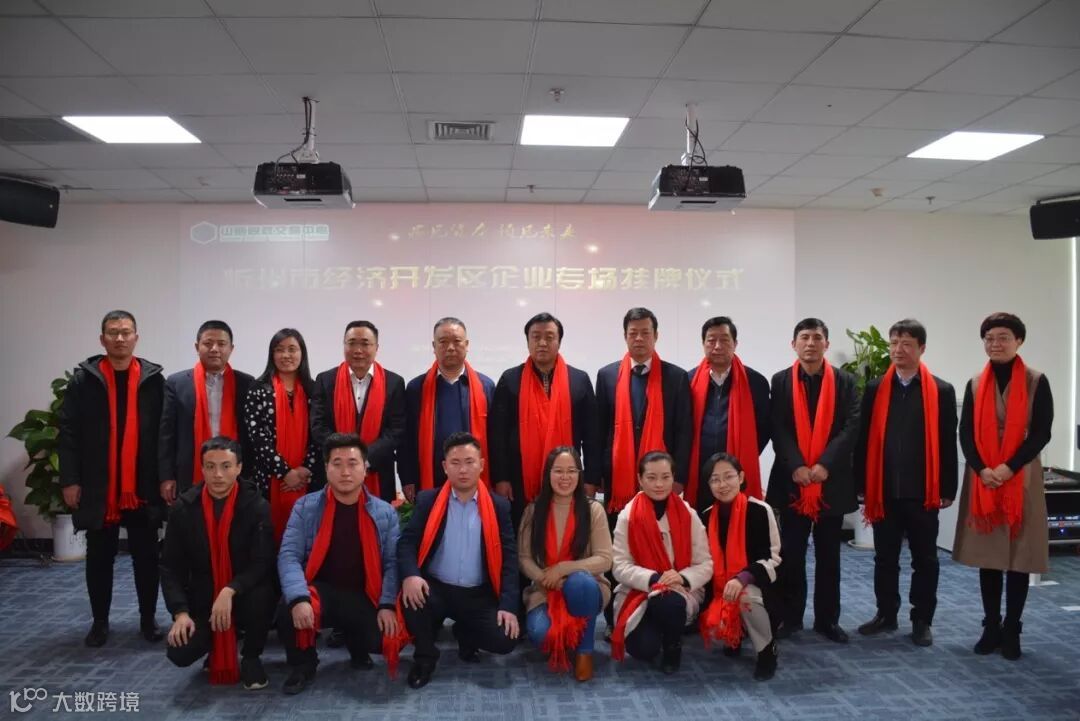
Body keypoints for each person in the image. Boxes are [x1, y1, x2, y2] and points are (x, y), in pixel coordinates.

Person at [58, 310, 165, 647]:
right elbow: (69, 433)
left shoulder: (152, 380)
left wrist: (165, 478)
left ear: (136, 337)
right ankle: (100, 622)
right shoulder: (84, 381)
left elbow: (163, 435)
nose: (120, 338)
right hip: (99, 486)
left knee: (147, 557)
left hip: (142, 486)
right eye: (113, 332)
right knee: (99, 558)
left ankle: (148, 619)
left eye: (126, 332)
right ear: (102, 339)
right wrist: (70, 480)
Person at [952, 312, 1053, 661]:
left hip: (1021, 476)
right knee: (989, 556)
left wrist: (1009, 467)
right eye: (989, 338)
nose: (995, 344)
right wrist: (982, 469)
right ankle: (991, 625)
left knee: (1019, 557)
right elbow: (965, 432)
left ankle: (1012, 628)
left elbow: (1041, 432)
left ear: (1019, 341)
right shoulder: (975, 383)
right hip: (984, 478)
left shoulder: (1036, 381)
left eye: (1003, 337)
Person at [276, 433, 406, 694]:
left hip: (364, 594)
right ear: (326, 468)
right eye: (337, 464)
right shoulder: (305, 507)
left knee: (382, 639)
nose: (345, 472)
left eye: (353, 463)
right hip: (320, 592)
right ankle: (304, 663)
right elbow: (289, 556)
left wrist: (387, 604)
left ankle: (357, 644)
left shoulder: (384, 512)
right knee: (287, 607)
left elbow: (393, 564)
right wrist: (299, 597)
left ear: (365, 467)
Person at [854, 319, 957, 647]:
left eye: (907, 344)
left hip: (922, 492)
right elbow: (863, 438)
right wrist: (861, 482)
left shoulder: (941, 390)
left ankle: (922, 619)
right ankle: (886, 613)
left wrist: (948, 488)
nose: (898, 350)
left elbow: (947, 441)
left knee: (925, 559)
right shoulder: (876, 389)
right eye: (894, 343)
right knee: (884, 558)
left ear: (921, 348)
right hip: (883, 490)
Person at [399, 432, 519, 689]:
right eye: (455, 463)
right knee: (411, 598)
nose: (463, 470)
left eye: (469, 462)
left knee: (505, 639)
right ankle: (425, 658)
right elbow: (407, 543)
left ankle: (465, 632)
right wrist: (411, 575)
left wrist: (508, 605)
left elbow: (510, 558)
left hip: (478, 593)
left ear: (482, 464)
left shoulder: (498, 506)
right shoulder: (428, 500)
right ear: (445, 466)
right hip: (436, 589)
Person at [765, 318, 859, 643]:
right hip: (793, 483)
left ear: (826, 344)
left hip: (831, 482)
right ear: (794, 344)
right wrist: (796, 466)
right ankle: (791, 618)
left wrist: (824, 465)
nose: (810, 343)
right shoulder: (780, 381)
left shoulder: (846, 382)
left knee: (829, 556)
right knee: (791, 554)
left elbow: (851, 427)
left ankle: (827, 620)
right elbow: (778, 427)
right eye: (804, 337)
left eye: (817, 337)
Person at [161, 437, 275, 690]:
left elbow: (262, 562)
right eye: (210, 467)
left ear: (239, 468)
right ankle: (214, 646)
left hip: (244, 591)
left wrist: (230, 590)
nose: (218, 475)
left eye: (226, 466)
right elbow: (170, 567)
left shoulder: (256, 506)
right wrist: (180, 613)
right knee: (179, 652)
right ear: (202, 469)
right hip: (204, 597)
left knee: (263, 594)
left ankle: (252, 657)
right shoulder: (184, 509)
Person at [491, 312, 599, 524]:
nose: (542, 343)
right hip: (520, 479)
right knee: (523, 531)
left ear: (559, 342)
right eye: (536, 337)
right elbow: (497, 435)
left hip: (568, 477)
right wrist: (501, 478)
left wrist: (592, 479)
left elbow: (592, 435)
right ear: (527, 341)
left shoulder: (578, 380)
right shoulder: (510, 379)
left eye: (549, 337)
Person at [610, 451, 712, 674]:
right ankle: (660, 629)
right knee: (642, 649)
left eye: (665, 477)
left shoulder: (689, 514)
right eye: (651, 477)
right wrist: (655, 579)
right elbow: (619, 566)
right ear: (640, 479)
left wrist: (681, 577)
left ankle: (672, 645)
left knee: (668, 602)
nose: (659, 484)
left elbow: (705, 564)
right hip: (638, 591)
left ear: (673, 477)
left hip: (680, 590)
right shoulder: (628, 516)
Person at [518, 447, 612, 682]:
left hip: (587, 587)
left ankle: (584, 651)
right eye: (558, 471)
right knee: (541, 634)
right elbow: (524, 558)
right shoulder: (534, 510)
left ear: (580, 474)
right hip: (545, 590)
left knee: (580, 583)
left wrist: (562, 569)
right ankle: (569, 634)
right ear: (548, 474)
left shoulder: (593, 510)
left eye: (571, 471)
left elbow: (605, 559)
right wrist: (546, 578)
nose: (565, 477)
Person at [596, 307, 692, 517]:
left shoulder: (676, 377)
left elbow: (684, 431)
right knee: (619, 530)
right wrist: (599, 473)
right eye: (633, 333)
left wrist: (679, 477)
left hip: (661, 476)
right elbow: (599, 430)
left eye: (645, 333)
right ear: (625, 336)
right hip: (618, 474)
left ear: (656, 336)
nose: (639, 338)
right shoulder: (606, 375)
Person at [699, 453, 781, 681]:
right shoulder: (706, 516)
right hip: (720, 589)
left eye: (728, 476)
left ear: (741, 477)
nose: (722, 484)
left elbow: (774, 558)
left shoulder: (760, 510)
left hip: (760, 587)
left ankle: (767, 651)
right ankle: (734, 634)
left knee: (744, 596)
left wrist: (743, 577)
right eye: (715, 479)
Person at [159, 320, 255, 502]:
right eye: (208, 343)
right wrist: (166, 476)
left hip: (234, 472)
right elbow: (167, 434)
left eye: (221, 344)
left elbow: (251, 434)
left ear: (231, 348)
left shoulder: (247, 383)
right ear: (197, 347)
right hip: (189, 471)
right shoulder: (177, 383)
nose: (214, 349)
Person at [310, 320, 405, 502]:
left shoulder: (394, 383)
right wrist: (345, 458)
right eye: (352, 343)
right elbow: (318, 426)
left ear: (376, 347)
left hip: (378, 472)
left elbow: (396, 430)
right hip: (336, 472)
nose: (358, 350)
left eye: (365, 344)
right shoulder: (325, 380)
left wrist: (365, 459)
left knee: (377, 519)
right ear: (344, 345)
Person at [401, 317, 495, 500]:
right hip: (430, 477)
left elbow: (495, 438)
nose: (450, 347)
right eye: (443, 342)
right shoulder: (416, 388)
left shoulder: (486, 387)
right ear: (434, 346)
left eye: (457, 341)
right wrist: (408, 478)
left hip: (474, 477)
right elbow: (407, 439)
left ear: (466, 345)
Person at [686, 316, 771, 511]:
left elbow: (765, 427)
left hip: (737, 469)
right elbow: (681, 427)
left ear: (735, 344)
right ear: (703, 343)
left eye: (724, 340)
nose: (717, 346)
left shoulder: (755, 382)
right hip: (699, 470)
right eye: (711, 340)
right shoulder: (688, 381)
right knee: (701, 521)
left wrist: (744, 453)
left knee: (739, 519)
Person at [243, 328, 319, 543]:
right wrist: (285, 472)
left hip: (308, 480)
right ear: (272, 354)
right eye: (279, 349)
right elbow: (257, 437)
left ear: (302, 353)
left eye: (292, 349)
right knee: (268, 537)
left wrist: (305, 470)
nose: (286, 355)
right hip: (268, 479)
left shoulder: (314, 389)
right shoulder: (258, 389)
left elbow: (318, 433)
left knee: (307, 537)